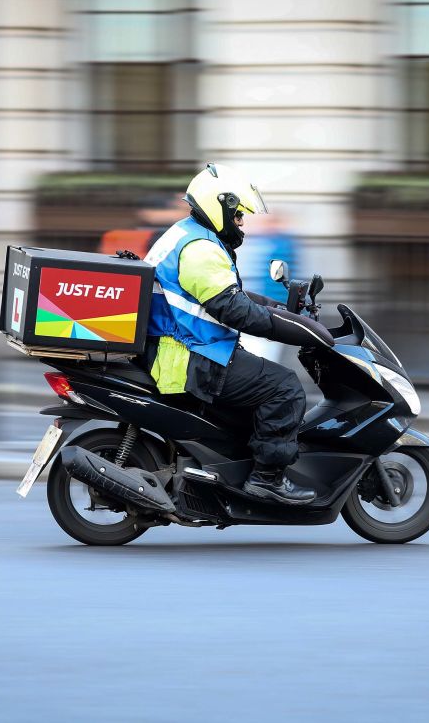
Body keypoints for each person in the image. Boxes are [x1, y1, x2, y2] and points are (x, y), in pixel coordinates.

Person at [142, 163, 333, 505]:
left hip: (188, 349)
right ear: (221, 206)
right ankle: (267, 479)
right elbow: (235, 311)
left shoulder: (186, 234)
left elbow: (234, 296)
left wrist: (283, 310)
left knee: (262, 388)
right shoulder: (199, 250)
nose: (241, 222)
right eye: (239, 214)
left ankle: (233, 468)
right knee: (285, 389)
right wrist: (299, 331)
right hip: (191, 358)